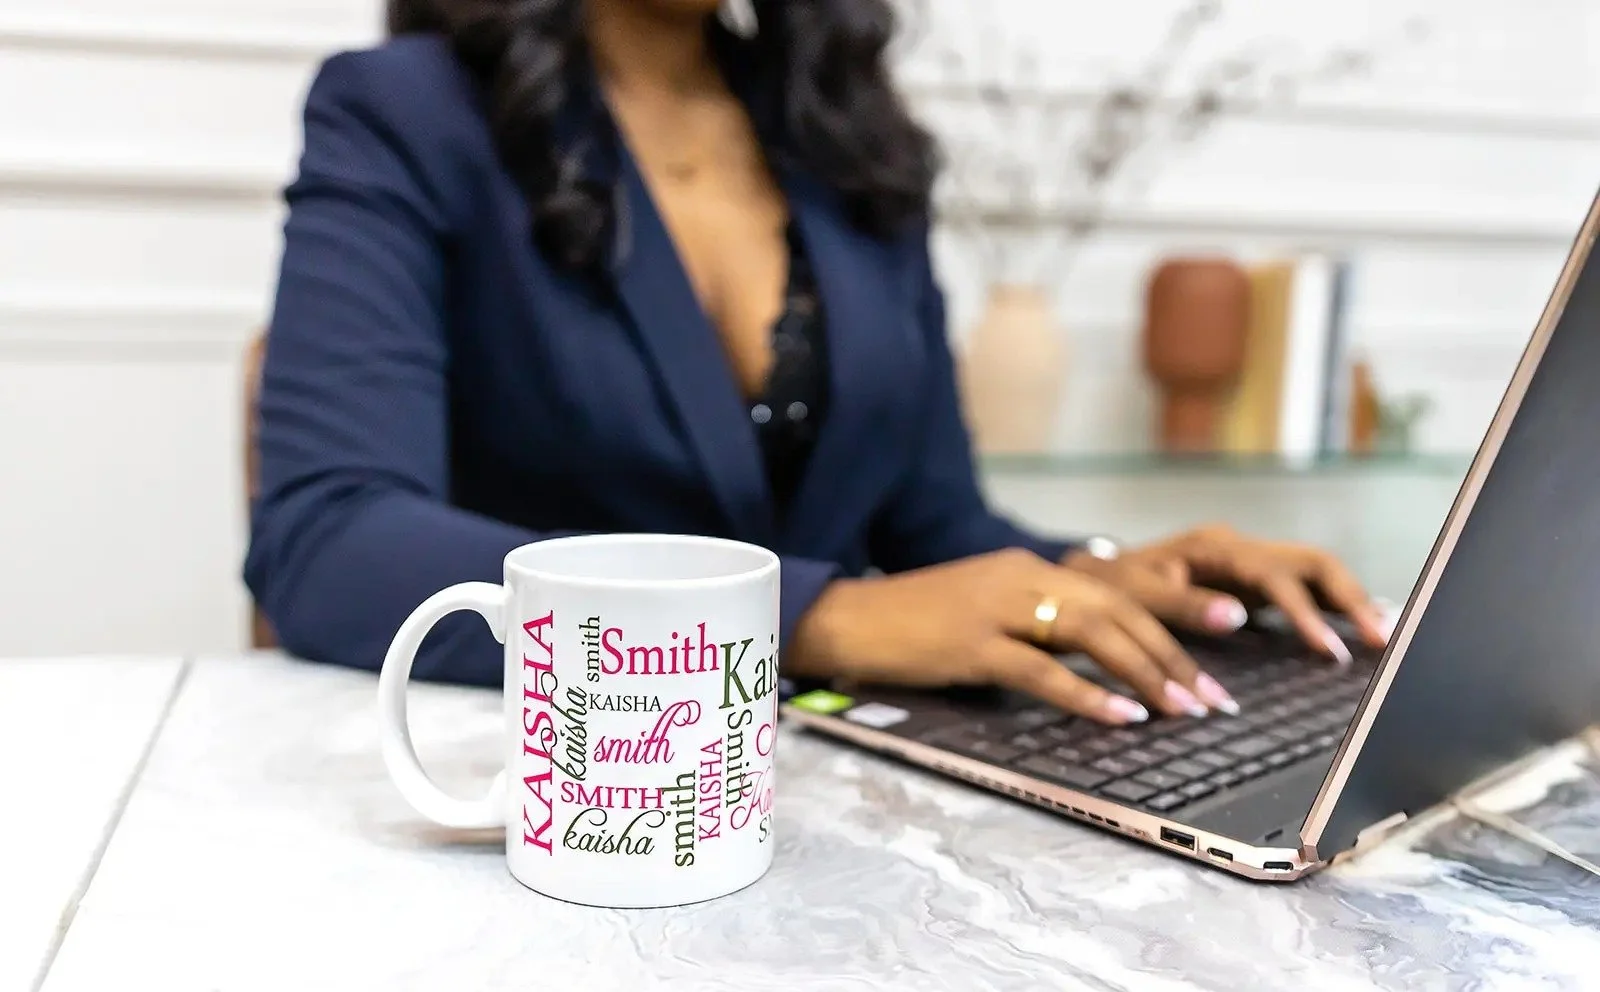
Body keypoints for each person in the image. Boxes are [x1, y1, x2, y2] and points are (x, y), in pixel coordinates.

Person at [245, 0, 1388, 727]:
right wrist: (815, 618)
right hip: (551, 786)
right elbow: (330, 540)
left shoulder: (854, 141)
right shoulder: (404, 112)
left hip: (840, 794)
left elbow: (931, 529)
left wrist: (1101, 573)